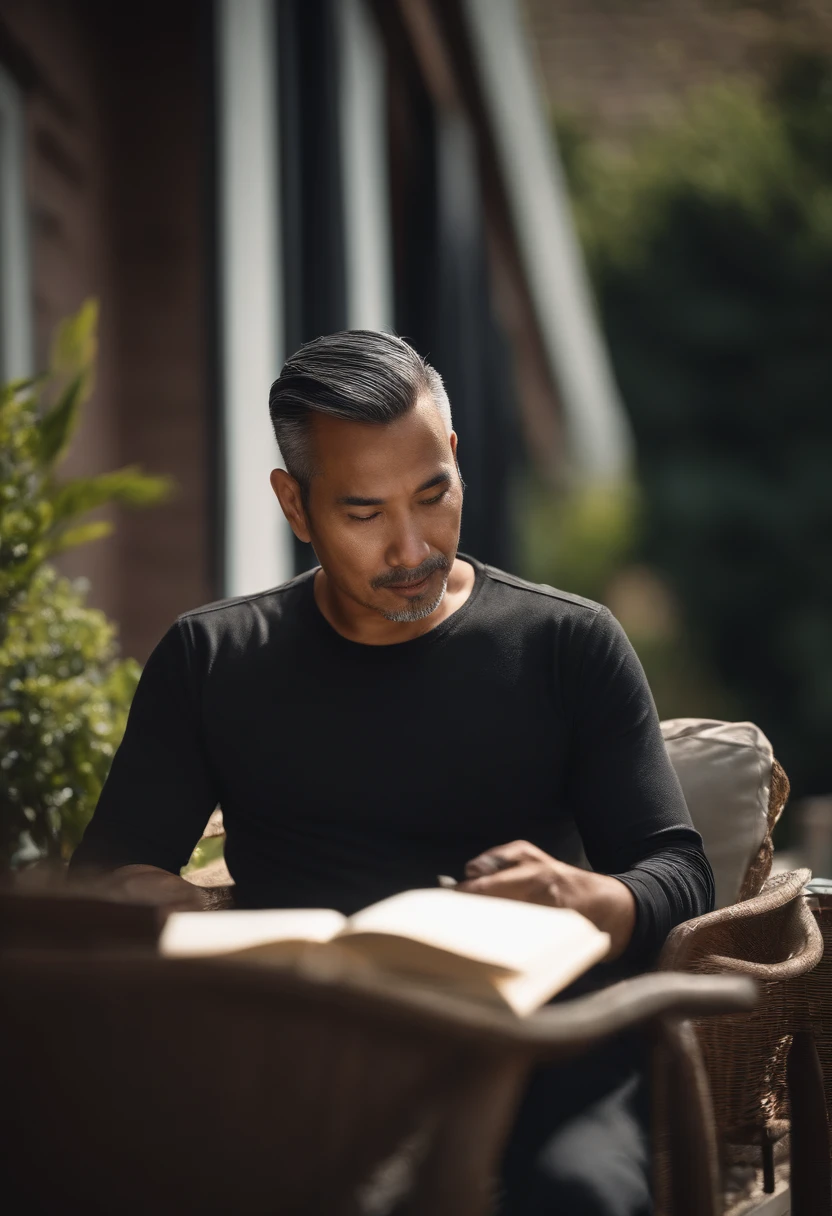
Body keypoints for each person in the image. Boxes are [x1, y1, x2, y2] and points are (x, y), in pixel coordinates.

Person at [70, 330, 714, 1215]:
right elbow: (104, 880)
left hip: (540, 1055)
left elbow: (681, 874)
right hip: (298, 1068)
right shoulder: (213, 659)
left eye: (433, 495)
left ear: (453, 454)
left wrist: (596, 899)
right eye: (364, 513)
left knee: (583, 1197)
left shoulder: (568, 643)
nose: (412, 547)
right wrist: (152, 898)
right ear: (295, 507)